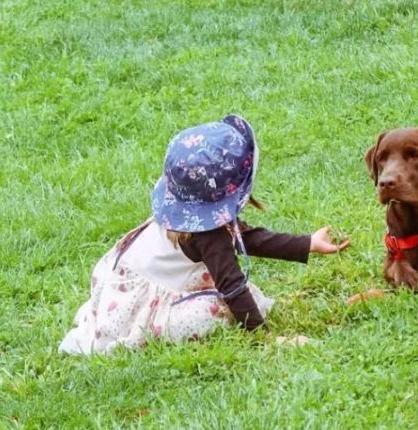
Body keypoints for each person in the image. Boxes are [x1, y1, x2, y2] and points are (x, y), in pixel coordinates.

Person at [59, 114, 346, 355]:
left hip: (120, 286)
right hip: (138, 305)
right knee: (217, 309)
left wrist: (308, 244)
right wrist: (266, 338)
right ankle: (158, 323)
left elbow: (247, 239)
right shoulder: (210, 236)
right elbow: (232, 286)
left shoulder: (192, 217)